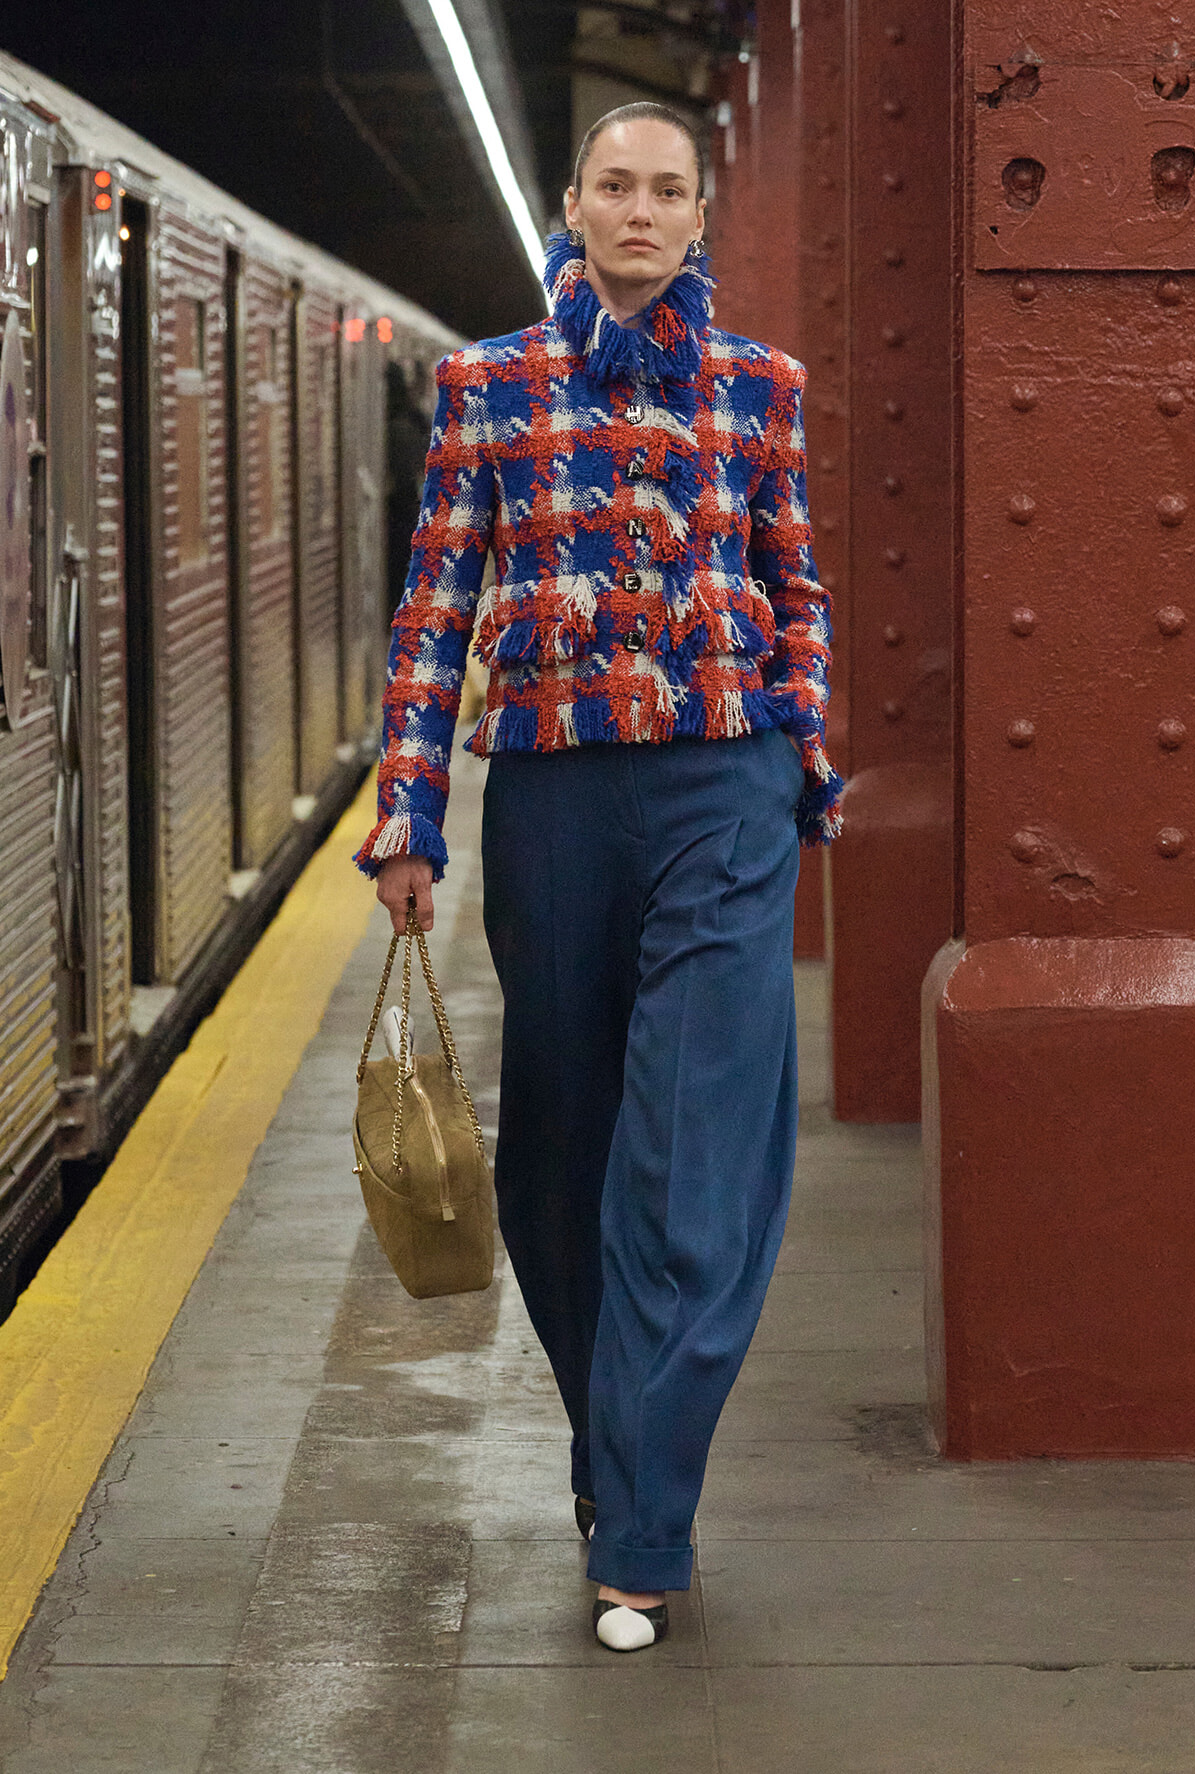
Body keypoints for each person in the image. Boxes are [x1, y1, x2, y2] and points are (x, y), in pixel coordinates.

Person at [356, 102, 841, 1652]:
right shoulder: (489, 386)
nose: (641, 211)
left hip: (722, 786)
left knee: (692, 1151)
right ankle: (604, 1444)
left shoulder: (762, 390)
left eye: (669, 190)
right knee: (559, 1161)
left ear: (703, 215)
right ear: (573, 205)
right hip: (555, 801)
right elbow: (437, 611)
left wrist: (802, 757)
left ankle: (644, 1526)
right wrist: (411, 815)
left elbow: (795, 579)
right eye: (615, 187)